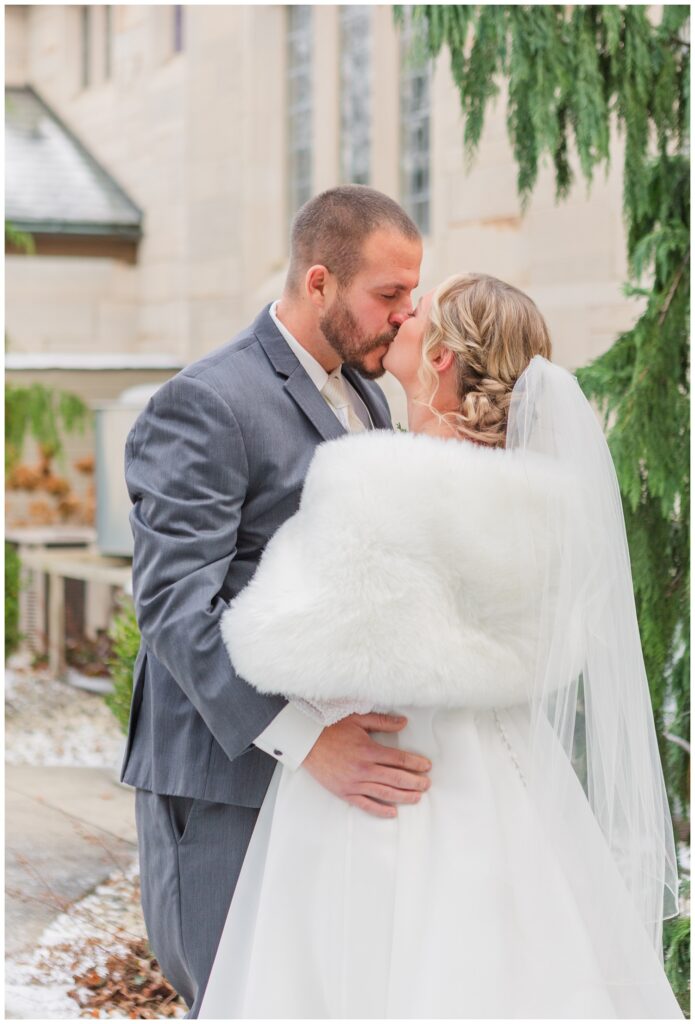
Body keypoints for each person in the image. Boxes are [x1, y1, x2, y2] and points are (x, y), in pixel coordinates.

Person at [200, 273, 683, 1019]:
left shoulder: (378, 479)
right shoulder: (549, 501)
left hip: (380, 780)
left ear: (442, 358)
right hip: (504, 781)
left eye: (416, 311)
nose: (400, 314)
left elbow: (270, 642)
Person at [121, 185, 427, 1017]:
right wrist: (308, 741)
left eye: (411, 294)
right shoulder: (208, 402)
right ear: (320, 282)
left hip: (328, 786)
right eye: (388, 295)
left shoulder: (365, 395)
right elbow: (177, 610)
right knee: (232, 994)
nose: (406, 317)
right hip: (227, 779)